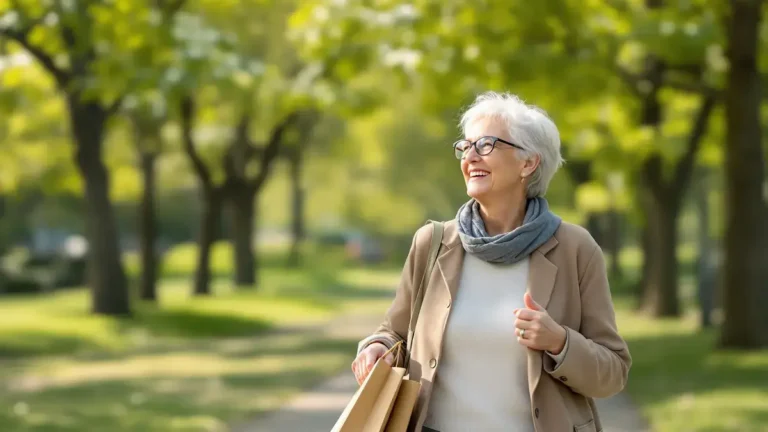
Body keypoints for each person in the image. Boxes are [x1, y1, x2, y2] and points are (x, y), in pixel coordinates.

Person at [351, 91, 632, 432]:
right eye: (465, 146)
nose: (470, 156)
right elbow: (393, 331)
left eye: (485, 144)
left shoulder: (575, 248)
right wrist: (375, 348)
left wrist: (559, 342)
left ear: (528, 163)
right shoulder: (434, 243)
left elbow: (613, 373)